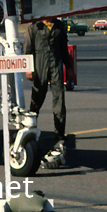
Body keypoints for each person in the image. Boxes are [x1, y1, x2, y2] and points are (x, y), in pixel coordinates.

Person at [25, 16, 70, 167]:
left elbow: (64, 48)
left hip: (55, 63)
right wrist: (29, 68)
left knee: (59, 99)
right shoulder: (34, 27)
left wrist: (68, 67)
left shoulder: (59, 26)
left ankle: (59, 133)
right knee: (36, 99)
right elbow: (28, 49)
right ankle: (30, 129)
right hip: (39, 64)